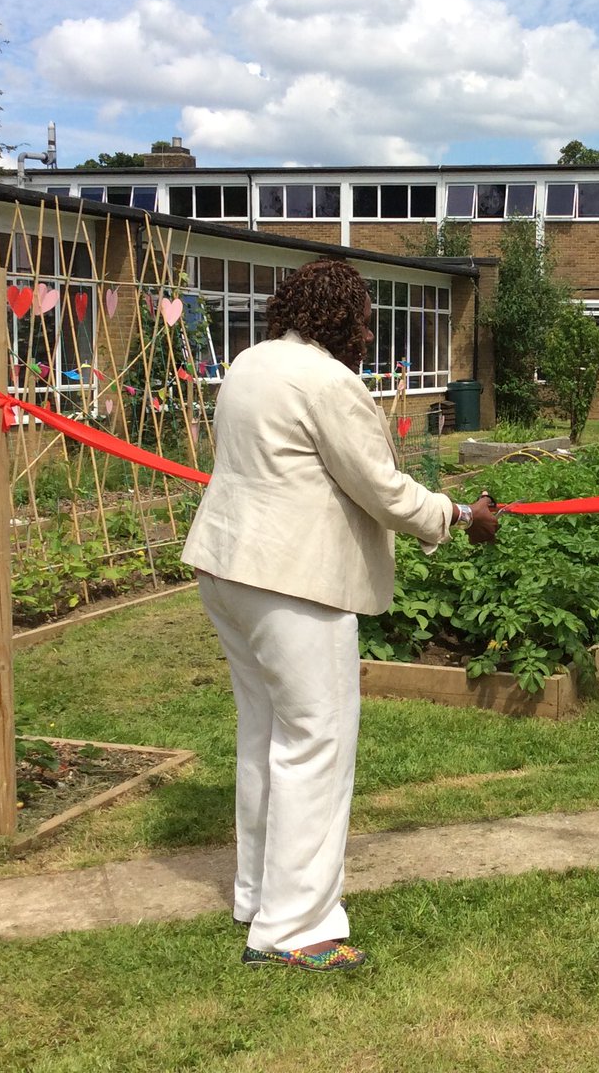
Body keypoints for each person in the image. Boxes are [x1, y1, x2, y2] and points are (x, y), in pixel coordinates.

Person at [182, 258, 499, 972]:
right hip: (294, 583)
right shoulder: (328, 382)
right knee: (315, 745)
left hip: (227, 569)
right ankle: (295, 929)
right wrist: (458, 515)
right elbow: (381, 489)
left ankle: (258, 896)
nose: (367, 334)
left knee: (266, 735)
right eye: (362, 321)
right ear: (336, 318)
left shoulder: (251, 363)